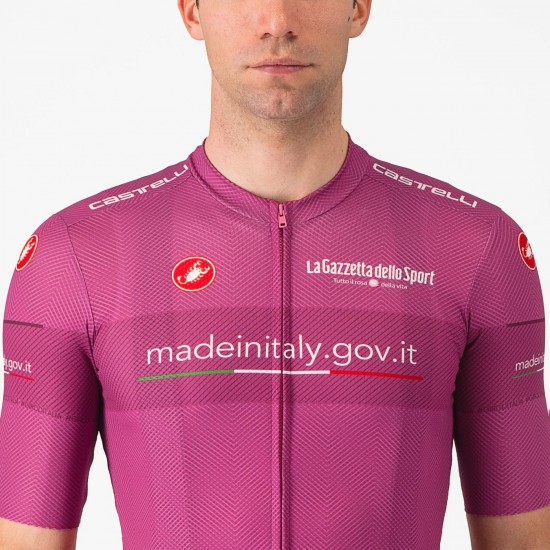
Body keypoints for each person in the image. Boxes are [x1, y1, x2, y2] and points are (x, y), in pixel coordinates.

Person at [1, 0, 549, 548]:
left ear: (358, 9)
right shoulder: (75, 257)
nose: (277, 20)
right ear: (192, 13)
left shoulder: (477, 249)